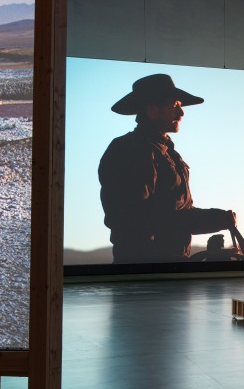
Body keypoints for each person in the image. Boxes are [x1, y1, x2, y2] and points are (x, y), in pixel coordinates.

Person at [98, 73, 236, 264]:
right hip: (145, 272)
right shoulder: (132, 150)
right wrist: (212, 220)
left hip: (169, 270)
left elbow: (174, 211)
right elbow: (136, 217)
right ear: (153, 110)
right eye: (175, 106)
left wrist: (216, 218)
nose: (181, 113)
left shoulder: (166, 153)